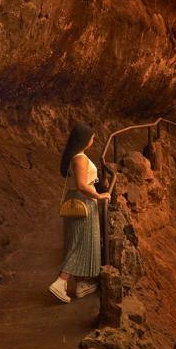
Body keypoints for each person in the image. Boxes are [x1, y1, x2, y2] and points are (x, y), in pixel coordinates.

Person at [48, 121, 110, 304]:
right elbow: (82, 185)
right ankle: (61, 282)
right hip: (83, 202)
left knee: (83, 241)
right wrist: (99, 196)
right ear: (85, 139)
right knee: (80, 243)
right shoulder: (80, 158)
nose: (94, 139)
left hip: (76, 201)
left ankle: (83, 284)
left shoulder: (74, 156)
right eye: (92, 136)